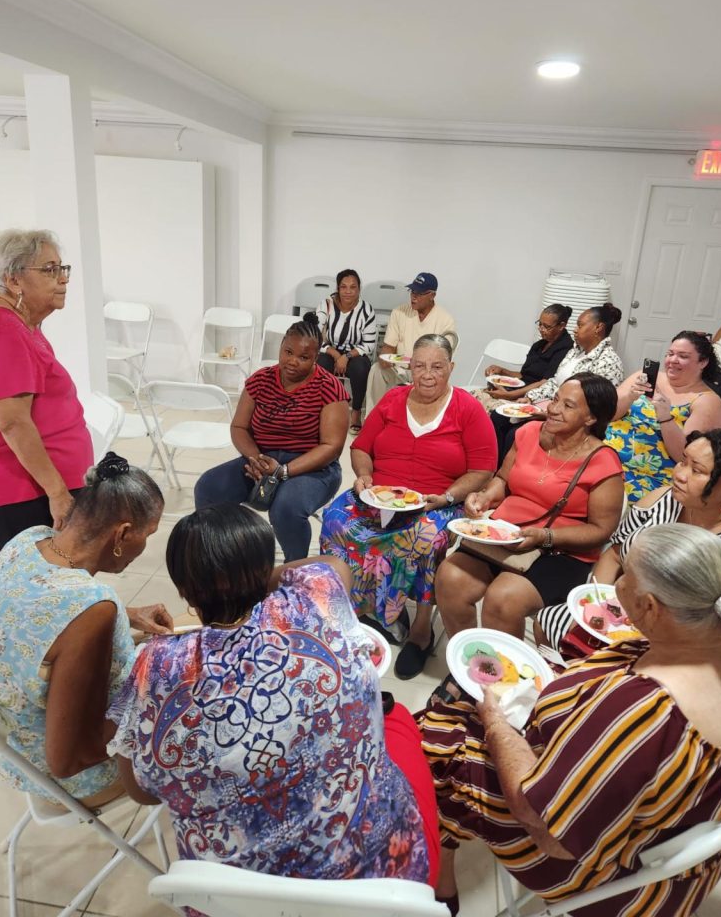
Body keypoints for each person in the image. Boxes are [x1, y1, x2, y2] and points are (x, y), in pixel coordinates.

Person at [420, 524, 721, 917]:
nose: (616, 584)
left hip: (607, 873)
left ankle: (439, 873)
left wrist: (495, 724)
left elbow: (548, 832)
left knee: (434, 736)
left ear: (650, 607)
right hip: (675, 832)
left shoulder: (644, 711)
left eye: (625, 575)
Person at [107, 503, 440, 885]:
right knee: (396, 719)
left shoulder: (154, 666)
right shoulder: (314, 599)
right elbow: (334, 564)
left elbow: (142, 792)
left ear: (184, 592)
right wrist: (251, 576)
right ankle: (445, 893)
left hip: (232, 900)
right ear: (267, 570)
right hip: (385, 878)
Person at [0, 452, 171, 804]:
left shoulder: (28, 541)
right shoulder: (92, 607)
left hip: (17, 752)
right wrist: (158, 695)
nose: (144, 547)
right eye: (148, 534)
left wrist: (126, 615)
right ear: (122, 534)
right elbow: (68, 760)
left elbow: (38, 614)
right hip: (76, 777)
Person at [320, 334, 497, 679]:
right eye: (419, 366)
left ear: (451, 368)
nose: (427, 375)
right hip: (380, 495)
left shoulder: (467, 408)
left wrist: (448, 497)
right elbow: (361, 447)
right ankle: (361, 610)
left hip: (435, 502)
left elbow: (483, 469)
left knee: (425, 539)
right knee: (336, 520)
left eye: (437, 367)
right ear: (409, 367)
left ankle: (420, 631)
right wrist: (364, 476)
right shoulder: (393, 399)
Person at [434, 373, 623, 672]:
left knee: (503, 599)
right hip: (506, 534)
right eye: (555, 399)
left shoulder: (602, 462)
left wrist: (546, 536)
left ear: (590, 418)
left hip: (560, 549)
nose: (553, 408)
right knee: (450, 578)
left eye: (568, 405)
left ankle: (505, 681)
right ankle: (474, 667)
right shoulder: (529, 433)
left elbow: (601, 530)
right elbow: (502, 480)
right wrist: (485, 497)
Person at [536, 427, 721, 650]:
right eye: (683, 460)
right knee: (548, 622)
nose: (679, 473)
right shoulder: (661, 500)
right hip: (622, 608)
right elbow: (614, 556)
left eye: (696, 470)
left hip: (685, 644)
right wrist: (595, 606)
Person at [194, 313, 349, 560]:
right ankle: (221, 558)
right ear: (281, 347)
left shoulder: (329, 388)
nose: (293, 361)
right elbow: (239, 427)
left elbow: (332, 447)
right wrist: (255, 458)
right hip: (262, 459)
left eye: (303, 357)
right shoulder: (260, 380)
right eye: (288, 352)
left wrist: (283, 471)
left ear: (315, 358)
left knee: (286, 509)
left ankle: (295, 568)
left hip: (313, 467)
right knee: (209, 487)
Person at [0, 229, 93, 553]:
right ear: (13, 280)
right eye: (49, 270)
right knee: (40, 581)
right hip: (27, 495)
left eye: (62, 268)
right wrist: (57, 492)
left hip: (36, 491)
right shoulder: (2, 327)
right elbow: (11, 421)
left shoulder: (19, 323)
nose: (63, 279)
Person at [605, 330, 721, 501]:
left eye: (683, 356)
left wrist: (665, 418)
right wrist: (629, 397)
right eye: (670, 354)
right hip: (606, 456)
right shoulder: (645, 377)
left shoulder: (707, 401)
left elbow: (685, 456)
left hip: (646, 476)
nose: (673, 360)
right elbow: (606, 415)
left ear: (703, 362)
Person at [491, 303, 624, 461]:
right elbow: (555, 381)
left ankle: (512, 473)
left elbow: (593, 409)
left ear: (598, 328)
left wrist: (548, 414)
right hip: (548, 406)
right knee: (498, 417)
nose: (575, 330)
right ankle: (494, 469)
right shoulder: (575, 352)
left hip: (569, 420)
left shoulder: (608, 362)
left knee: (516, 433)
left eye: (580, 325)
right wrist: (530, 398)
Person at [364, 272, 457, 413]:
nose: (414, 296)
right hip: (400, 368)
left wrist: (419, 366)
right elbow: (388, 347)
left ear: (432, 295)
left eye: (419, 293)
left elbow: (442, 360)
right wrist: (385, 356)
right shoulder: (399, 312)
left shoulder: (445, 320)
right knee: (376, 370)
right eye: (412, 291)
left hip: (427, 371)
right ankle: (374, 416)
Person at [470, 304, 574, 413]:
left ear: (561, 326)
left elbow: (545, 382)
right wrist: (502, 371)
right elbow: (523, 375)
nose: (541, 329)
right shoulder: (540, 345)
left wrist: (510, 395)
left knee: (488, 409)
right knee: (471, 398)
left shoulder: (566, 349)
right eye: (540, 324)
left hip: (531, 397)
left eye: (547, 327)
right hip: (517, 390)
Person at [316, 268, 377, 433]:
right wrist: (336, 355)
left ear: (359, 289)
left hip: (355, 352)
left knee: (361, 367)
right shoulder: (326, 305)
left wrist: (347, 356)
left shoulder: (367, 310)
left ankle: (356, 412)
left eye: (353, 287)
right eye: (343, 287)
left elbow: (369, 344)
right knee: (321, 363)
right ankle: (322, 409)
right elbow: (315, 336)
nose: (348, 291)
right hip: (330, 350)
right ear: (337, 288)